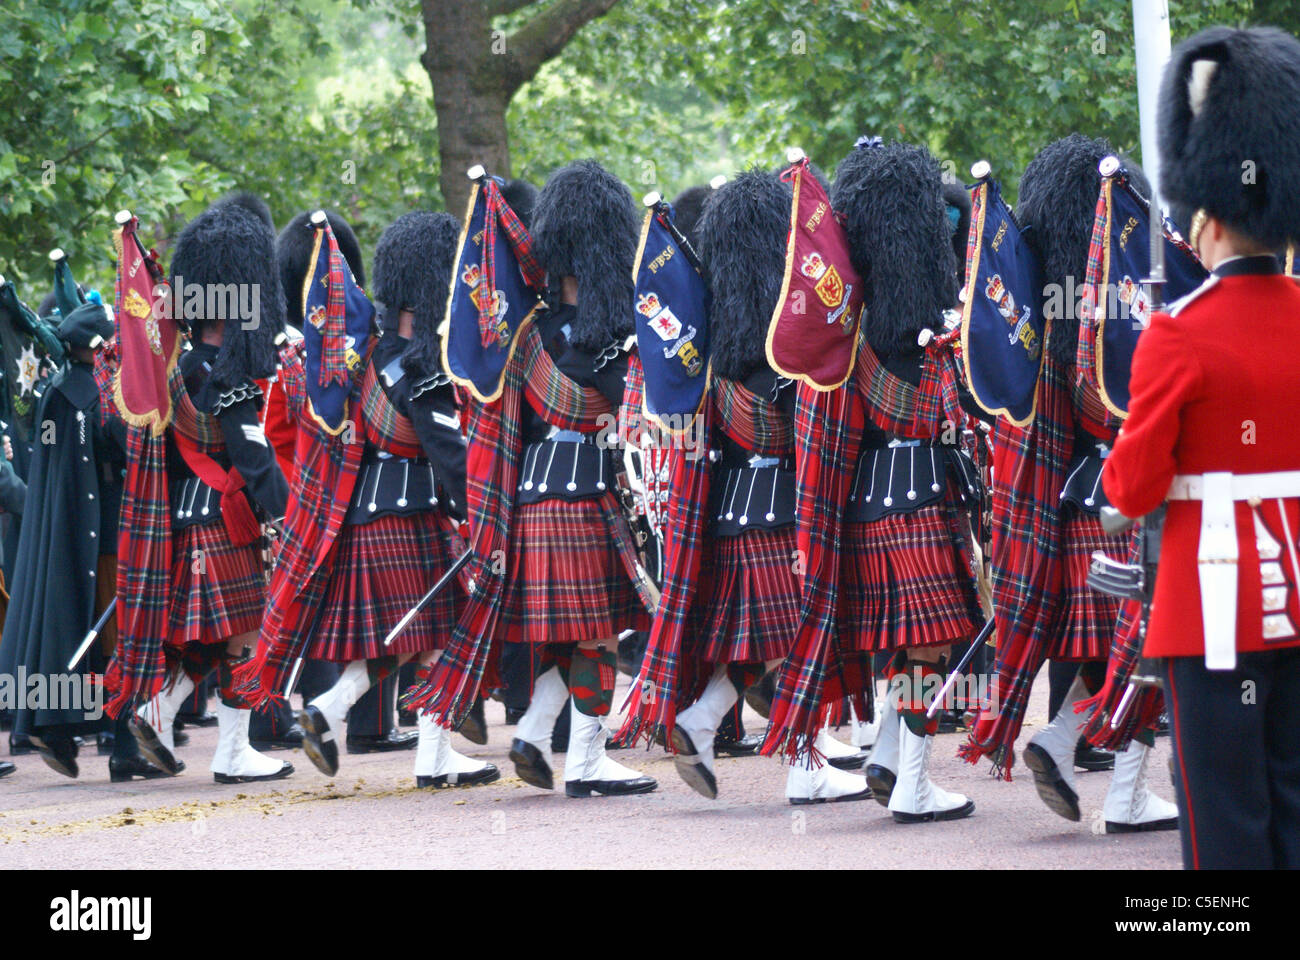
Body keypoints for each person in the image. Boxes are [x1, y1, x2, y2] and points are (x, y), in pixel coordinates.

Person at [1104, 25, 1300, 868]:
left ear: (1209, 218)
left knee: (1222, 824)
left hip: (1211, 605)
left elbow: (1136, 485)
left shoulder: (1177, 335)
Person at [968, 135, 1177, 833]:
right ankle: (1124, 793)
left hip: (1066, 510)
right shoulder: (1114, 315)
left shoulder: (1040, 322)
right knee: (1147, 644)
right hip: (1123, 504)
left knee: (1116, 649)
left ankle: (1058, 739)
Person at [644, 169, 870, 803]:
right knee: (799, 639)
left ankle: (701, 719)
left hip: (732, 513)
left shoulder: (717, 354)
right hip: (780, 516)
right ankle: (803, 770)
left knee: (763, 643)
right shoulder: (788, 358)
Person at [262, 209, 497, 789]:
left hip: (367, 512)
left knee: (413, 635)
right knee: (441, 631)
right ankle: (430, 756)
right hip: (410, 515)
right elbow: (450, 456)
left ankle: (333, 710)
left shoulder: (367, 356)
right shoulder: (422, 370)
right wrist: (486, 513)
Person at [118, 198, 293, 784]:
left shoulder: (181, 364)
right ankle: (233, 753)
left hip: (188, 518)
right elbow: (252, 455)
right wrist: (291, 514)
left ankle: (157, 712)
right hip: (227, 517)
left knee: (210, 640)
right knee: (246, 636)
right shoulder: (230, 370)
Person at [269, 208, 416, 757]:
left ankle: (337, 715)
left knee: (345, 618)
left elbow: (282, 436)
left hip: (321, 493)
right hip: (364, 487)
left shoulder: (295, 354)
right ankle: (368, 724)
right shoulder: (365, 343)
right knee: (396, 615)